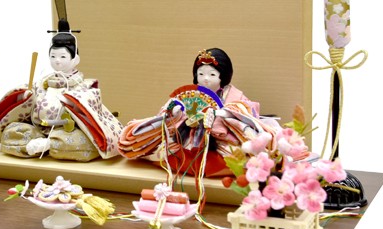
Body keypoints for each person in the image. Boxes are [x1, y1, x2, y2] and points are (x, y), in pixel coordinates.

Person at [118, 48, 277, 177]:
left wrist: (223, 115)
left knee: (238, 156)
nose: (206, 79)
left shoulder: (235, 97)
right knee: (165, 149)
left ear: (223, 76)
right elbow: (165, 115)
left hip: (219, 143)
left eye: (212, 74)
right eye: (201, 74)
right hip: (186, 141)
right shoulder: (187, 95)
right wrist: (176, 113)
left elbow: (245, 113)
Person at [0, 19, 123, 162]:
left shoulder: (84, 85)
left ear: (75, 59)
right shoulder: (42, 83)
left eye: (63, 56)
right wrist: (25, 97)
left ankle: (50, 144)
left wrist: (74, 100)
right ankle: (38, 144)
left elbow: (91, 105)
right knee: (12, 131)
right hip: (39, 129)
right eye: (53, 56)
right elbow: (27, 99)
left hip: (68, 132)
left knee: (82, 140)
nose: (57, 60)